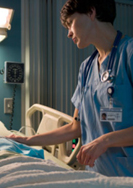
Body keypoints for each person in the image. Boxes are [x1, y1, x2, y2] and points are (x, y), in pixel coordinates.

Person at [8, 0, 133, 177]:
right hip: (97, 174)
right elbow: (75, 128)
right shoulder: (86, 68)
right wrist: (27, 140)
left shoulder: (129, 54)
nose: (68, 33)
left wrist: (105, 140)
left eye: (70, 23)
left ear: (91, 12)